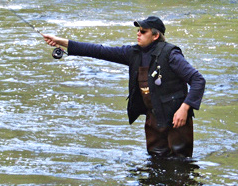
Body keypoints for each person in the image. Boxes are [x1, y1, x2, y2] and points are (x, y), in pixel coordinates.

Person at [43, 16, 206, 158]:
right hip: (154, 119)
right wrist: (61, 42)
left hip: (177, 119)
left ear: (155, 35)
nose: (138, 34)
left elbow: (198, 80)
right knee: (156, 162)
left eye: (143, 31)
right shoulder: (133, 52)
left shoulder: (171, 54)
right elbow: (99, 51)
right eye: (138, 31)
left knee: (180, 164)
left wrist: (184, 109)